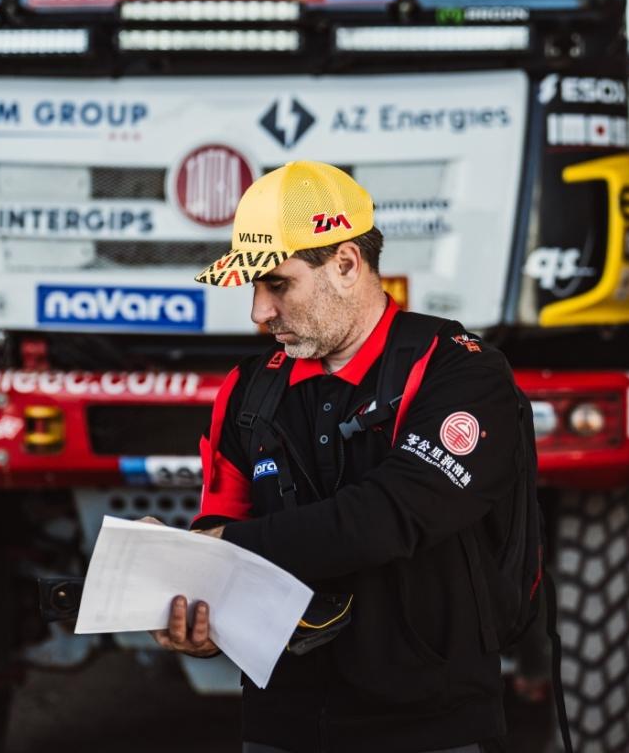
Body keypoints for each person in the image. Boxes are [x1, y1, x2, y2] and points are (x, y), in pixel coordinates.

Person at [149, 160, 528, 753]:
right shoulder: (248, 388)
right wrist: (199, 607)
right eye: (254, 288)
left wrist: (220, 548)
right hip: (279, 725)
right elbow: (221, 527)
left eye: (278, 284)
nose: (259, 312)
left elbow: (388, 517)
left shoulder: (459, 371)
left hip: (431, 727)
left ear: (347, 264)